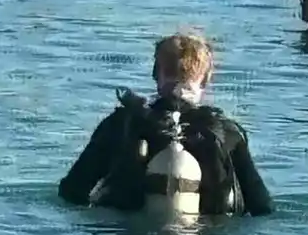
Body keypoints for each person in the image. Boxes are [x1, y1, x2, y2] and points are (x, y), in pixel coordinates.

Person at [60, 33, 273, 218]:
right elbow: (262, 206)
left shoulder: (121, 123)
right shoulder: (228, 133)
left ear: (156, 74)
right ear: (206, 80)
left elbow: (71, 192)